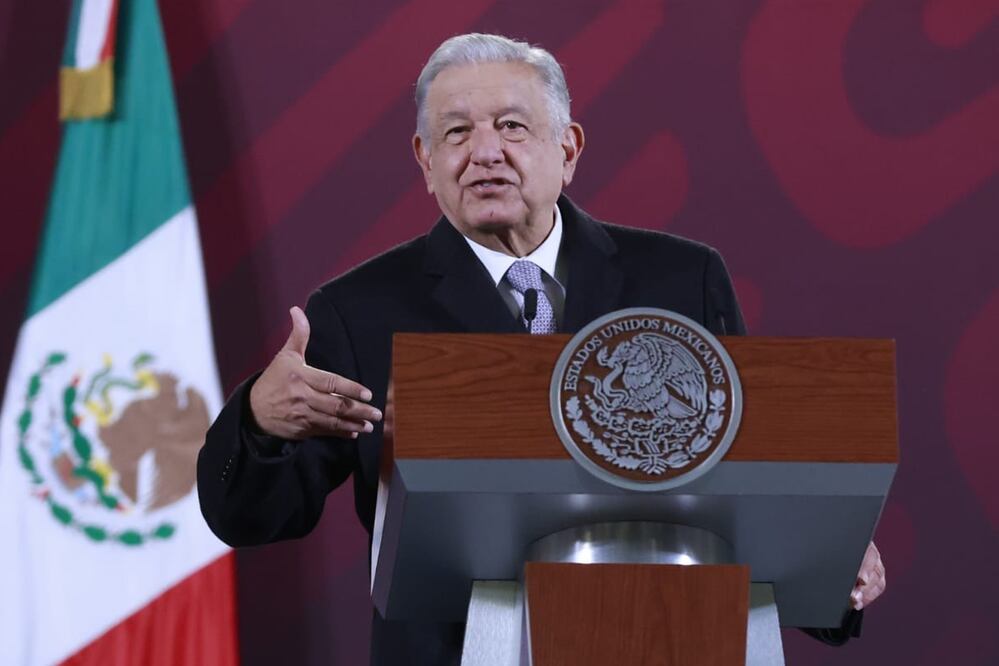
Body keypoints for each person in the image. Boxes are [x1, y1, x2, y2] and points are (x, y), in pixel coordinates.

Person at [197, 33, 885, 665]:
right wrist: (259, 421)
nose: (484, 152)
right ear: (427, 162)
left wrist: (834, 564)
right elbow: (250, 516)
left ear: (568, 149)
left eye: (512, 126)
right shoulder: (359, 311)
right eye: (456, 132)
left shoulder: (681, 280)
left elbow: (748, 467)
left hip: (669, 639)